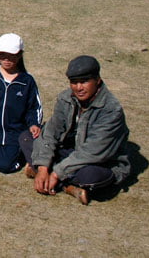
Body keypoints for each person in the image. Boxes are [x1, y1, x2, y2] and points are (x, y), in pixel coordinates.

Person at [24, 55, 130, 205]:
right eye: (74, 82)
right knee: (27, 136)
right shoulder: (65, 98)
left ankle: (58, 180)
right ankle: (66, 185)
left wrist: (55, 174)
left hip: (98, 161)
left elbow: (93, 152)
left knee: (89, 176)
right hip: (69, 151)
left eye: (84, 81)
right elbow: (51, 131)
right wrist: (42, 167)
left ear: (97, 80)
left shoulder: (111, 110)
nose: (78, 87)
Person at [0, 33, 42, 174]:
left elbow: (34, 107)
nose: (6, 59)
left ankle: (22, 155)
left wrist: (33, 123)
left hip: (14, 132)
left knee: (5, 166)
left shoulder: (27, 80)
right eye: (2, 54)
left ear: (19, 55)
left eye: (11, 55)